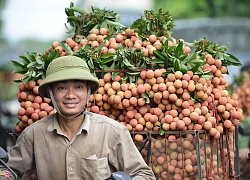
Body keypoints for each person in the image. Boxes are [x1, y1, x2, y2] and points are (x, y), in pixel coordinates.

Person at [0, 56, 156, 179]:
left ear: (88, 91)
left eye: (78, 87)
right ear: (51, 93)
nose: (70, 95)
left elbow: (144, 175)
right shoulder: (34, 134)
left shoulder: (112, 132)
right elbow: (9, 170)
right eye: (61, 88)